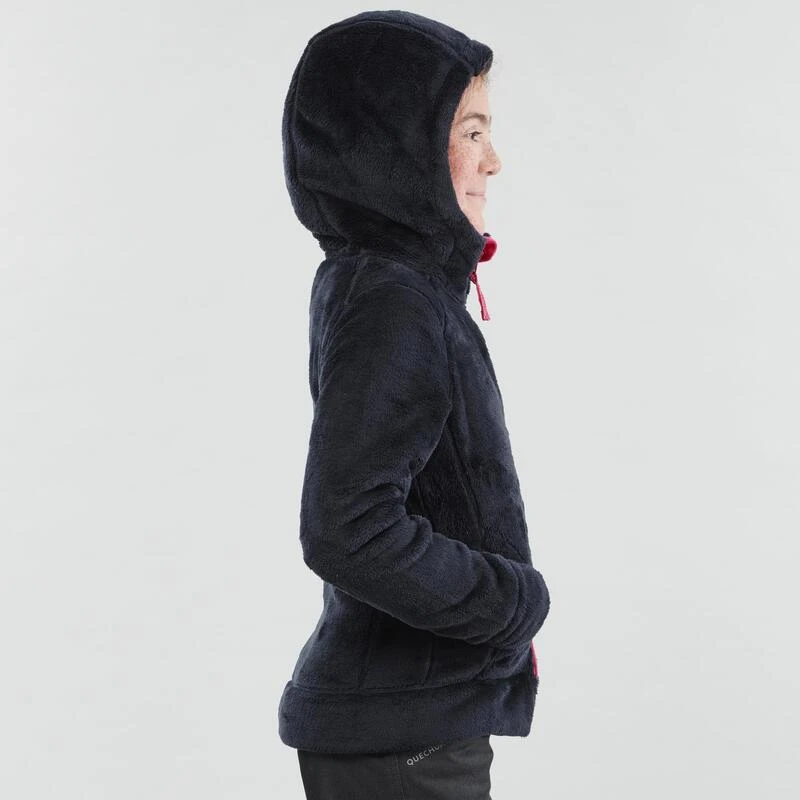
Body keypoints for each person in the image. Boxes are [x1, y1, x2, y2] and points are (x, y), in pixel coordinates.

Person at [277, 10, 551, 798]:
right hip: (404, 739)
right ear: (401, 146)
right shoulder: (395, 299)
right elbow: (347, 528)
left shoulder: (385, 284)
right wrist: (513, 601)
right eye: (470, 132)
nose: (493, 160)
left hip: (406, 727)